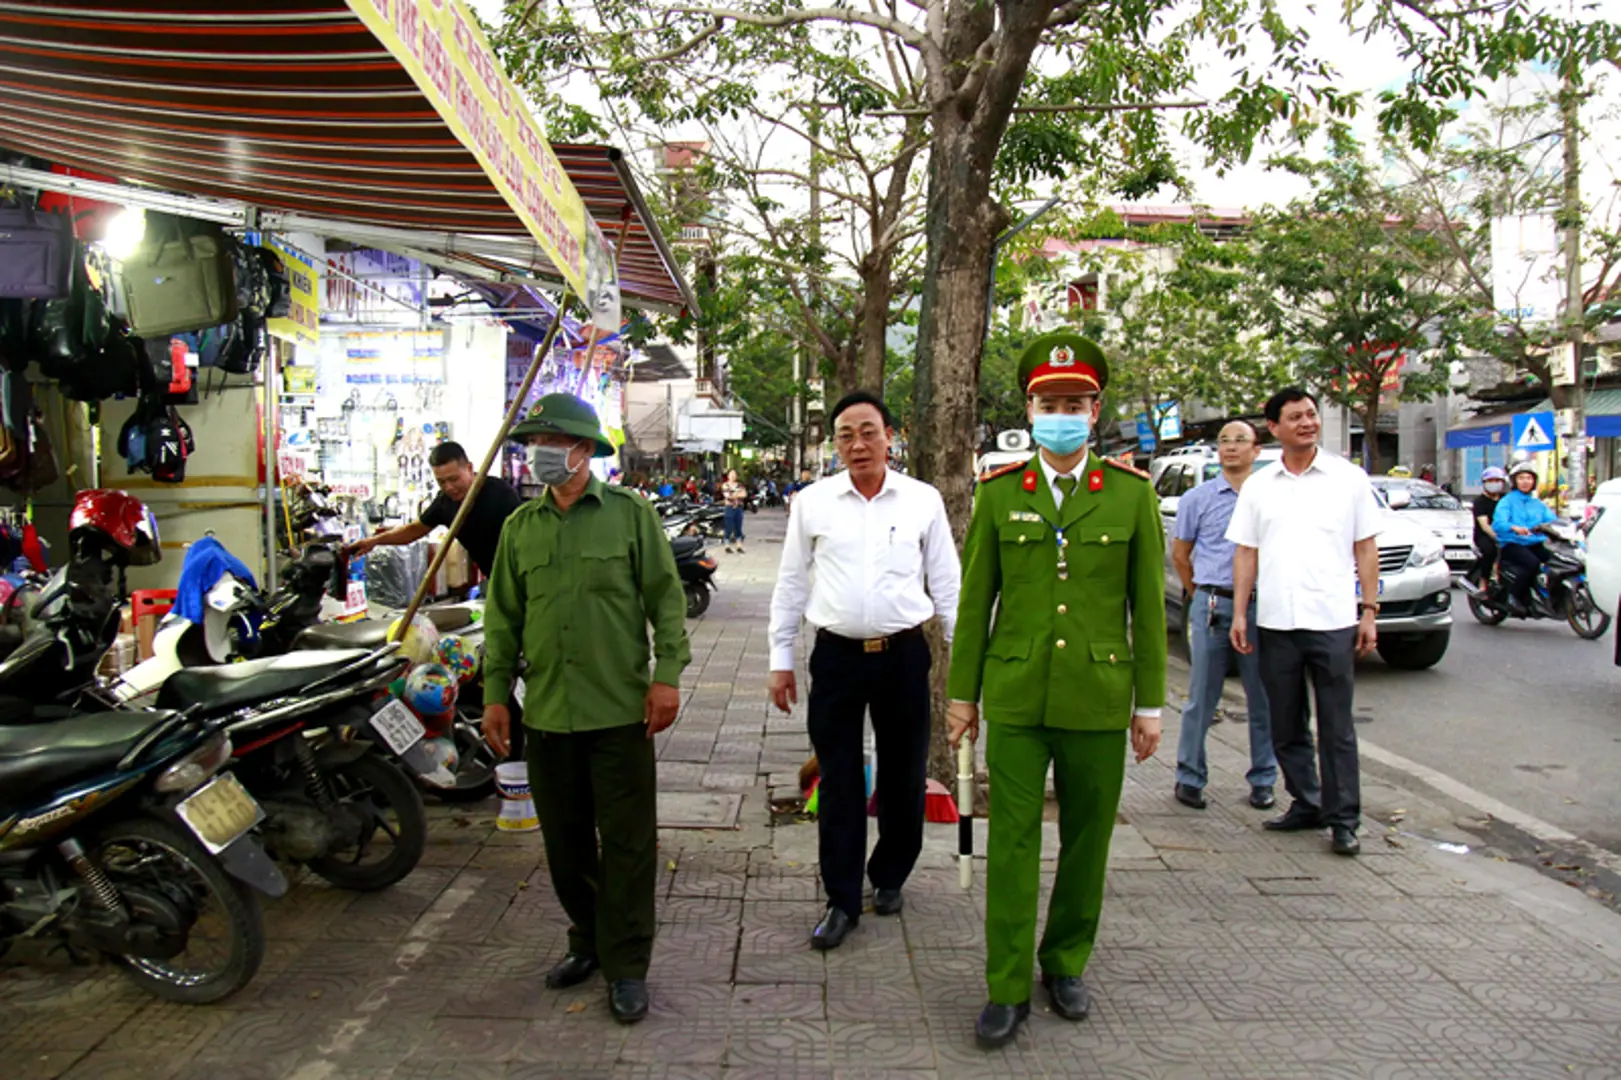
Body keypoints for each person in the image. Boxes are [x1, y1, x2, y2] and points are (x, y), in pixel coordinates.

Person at [947, 332, 1166, 1050]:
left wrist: (1150, 706)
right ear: (1029, 410)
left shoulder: (1130, 497)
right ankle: (1005, 985)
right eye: (1049, 403)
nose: (1061, 413)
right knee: (1010, 843)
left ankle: (1064, 962)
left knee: (1085, 842)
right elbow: (975, 601)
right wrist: (961, 695)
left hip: (1098, 697)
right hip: (1014, 696)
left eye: (1074, 402)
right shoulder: (1000, 492)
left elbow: (1148, 612)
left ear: (1095, 410)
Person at [480, 393, 690, 1026]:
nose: (538, 454)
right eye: (531, 443)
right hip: (546, 716)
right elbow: (502, 620)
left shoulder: (629, 515)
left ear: (581, 450)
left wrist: (668, 678)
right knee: (566, 847)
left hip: (620, 715)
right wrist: (495, 696)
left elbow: (666, 599)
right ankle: (588, 939)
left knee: (627, 846)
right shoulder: (520, 528)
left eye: (549, 443)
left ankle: (626, 965)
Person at [768, 389, 961, 951]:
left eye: (869, 431)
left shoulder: (923, 501)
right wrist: (781, 659)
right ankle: (842, 897)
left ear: (890, 437)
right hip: (836, 659)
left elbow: (947, 586)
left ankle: (891, 875)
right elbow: (790, 583)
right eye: (846, 435)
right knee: (840, 780)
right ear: (835, 445)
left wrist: (969, 669)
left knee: (903, 776)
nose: (858, 444)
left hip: (903, 656)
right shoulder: (812, 503)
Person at [1228, 387, 1382, 859]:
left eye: (1311, 415)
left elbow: (1365, 547)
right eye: (1295, 417)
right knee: (1286, 723)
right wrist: (1239, 611)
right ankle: (1307, 801)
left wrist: (1369, 610)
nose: (1307, 423)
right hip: (1276, 621)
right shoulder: (1259, 485)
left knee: (1337, 727)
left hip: (1332, 619)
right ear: (1273, 428)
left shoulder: (1348, 478)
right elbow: (1246, 552)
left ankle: (1344, 819)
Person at [1171, 420, 1278, 812]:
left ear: (1256, 450)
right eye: (1224, 441)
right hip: (1213, 603)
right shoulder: (1197, 499)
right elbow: (1181, 555)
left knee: (1263, 697)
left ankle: (1264, 779)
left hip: (1262, 606)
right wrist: (1199, 594)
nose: (1231, 447)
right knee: (1201, 695)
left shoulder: (1272, 496)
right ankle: (1189, 777)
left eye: (1240, 441)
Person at [345, 441, 523, 581]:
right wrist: (375, 541)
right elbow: (414, 530)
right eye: (442, 482)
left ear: (469, 468)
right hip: (494, 577)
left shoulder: (499, 493)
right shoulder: (445, 503)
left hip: (521, 573)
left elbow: (525, 539)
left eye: (454, 479)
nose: (449, 487)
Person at [1493, 461, 1556, 614]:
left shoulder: (1538, 503)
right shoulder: (1507, 501)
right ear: (1515, 481)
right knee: (1532, 564)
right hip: (1512, 544)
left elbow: (1552, 520)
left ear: (1534, 481)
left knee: (1557, 561)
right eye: (1521, 478)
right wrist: (1514, 528)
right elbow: (1498, 524)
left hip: (1535, 543)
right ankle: (1513, 597)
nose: (1525, 481)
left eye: (1529, 478)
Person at [1465, 466, 1509, 592]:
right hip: (1485, 535)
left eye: (1498, 480)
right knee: (1490, 551)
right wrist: (1497, 537)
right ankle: (1483, 582)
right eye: (1491, 481)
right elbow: (1485, 526)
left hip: (1506, 532)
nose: (1495, 484)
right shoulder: (1480, 502)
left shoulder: (1505, 499)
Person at [721, 469, 748, 553]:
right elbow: (728, 496)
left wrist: (734, 494)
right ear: (728, 475)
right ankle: (727, 546)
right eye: (731, 474)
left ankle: (739, 546)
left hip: (738, 508)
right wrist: (737, 495)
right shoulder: (725, 485)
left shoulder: (740, 485)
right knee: (728, 527)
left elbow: (744, 494)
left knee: (738, 527)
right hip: (729, 508)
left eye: (734, 474)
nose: (733, 476)